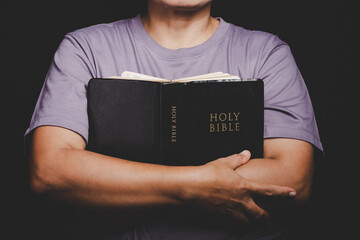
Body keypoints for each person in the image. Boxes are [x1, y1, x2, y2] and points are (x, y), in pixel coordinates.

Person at [25, 0, 323, 239]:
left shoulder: (267, 53)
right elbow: (50, 170)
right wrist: (194, 186)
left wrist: (127, 180)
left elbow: (294, 178)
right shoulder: (85, 47)